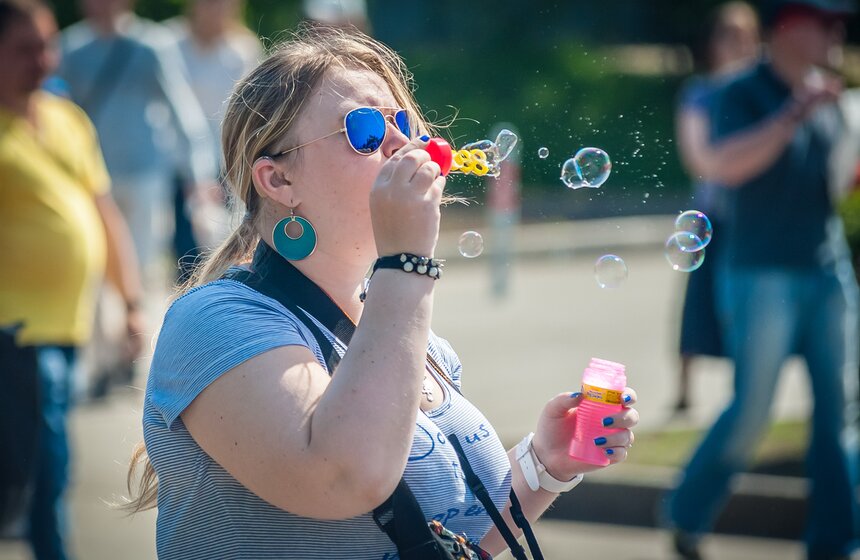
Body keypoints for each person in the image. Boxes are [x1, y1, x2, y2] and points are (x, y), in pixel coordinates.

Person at [124, 24, 639, 559]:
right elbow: (346, 477)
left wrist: (544, 464)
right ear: (278, 181)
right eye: (365, 129)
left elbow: (443, 537)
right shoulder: (215, 322)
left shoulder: (414, 340)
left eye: (402, 121)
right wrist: (408, 263)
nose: (402, 142)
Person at [665, 1, 860, 559]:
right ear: (788, 28)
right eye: (824, 22)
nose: (836, 32)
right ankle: (686, 513)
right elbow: (724, 166)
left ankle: (835, 543)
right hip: (758, 272)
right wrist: (793, 112)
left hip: (827, 267)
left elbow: (835, 182)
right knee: (753, 409)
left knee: (836, 414)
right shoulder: (742, 92)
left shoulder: (828, 94)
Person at [0, 1, 144, 558]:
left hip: (66, 323)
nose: (41, 60)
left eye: (47, 45)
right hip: (14, 329)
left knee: (38, 467)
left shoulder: (66, 117)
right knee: (44, 467)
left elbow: (105, 216)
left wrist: (131, 302)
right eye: (22, 49)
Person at [57, 0, 218, 289]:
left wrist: (199, 176)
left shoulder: (151, 45)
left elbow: (183, 111)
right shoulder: (71, 47)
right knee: (92, 266)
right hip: (91, 174)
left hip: (145, 174)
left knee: (141, 265)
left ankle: (131, 329)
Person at [672, 1, 760, 413]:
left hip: (756, 220)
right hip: (714, 214)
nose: (738, 44)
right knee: (699, 304)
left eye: (745, 35)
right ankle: (684, 391)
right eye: (728, 34)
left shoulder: (766, 95)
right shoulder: (702, 92)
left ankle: (745, 393)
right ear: (713, 42)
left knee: (745, 309)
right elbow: (699, 158)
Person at [165, 0, 263, 280]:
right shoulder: (168, 44)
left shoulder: (243, 50)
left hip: (225, 162)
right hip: (174, 162)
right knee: (180, 247)